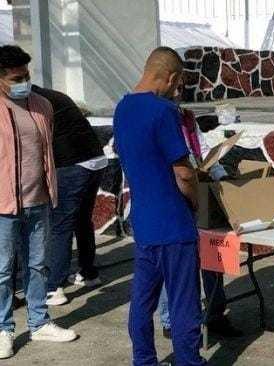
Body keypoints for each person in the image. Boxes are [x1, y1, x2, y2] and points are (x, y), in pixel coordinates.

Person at [113, 47, 204, 366]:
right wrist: (196, 200)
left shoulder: (121, 108)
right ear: (171, 76)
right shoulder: (163, 111)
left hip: (145, 222)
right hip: (174, 223)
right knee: (184, 303)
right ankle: (189, 361)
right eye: (177, 83)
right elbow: (182, 171)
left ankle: (144, 360)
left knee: (142, 301)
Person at [0, 45, 77, 359]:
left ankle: (39, 322)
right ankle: (3, 329)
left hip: (39, 199)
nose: (24, 81)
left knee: (38, 266)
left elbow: (46, 152)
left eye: (27, 75)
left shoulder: (42, 105)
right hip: (3, 205)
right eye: (17, 77)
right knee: (3, 271)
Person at [157, 102, 241, 339]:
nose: (177, 95)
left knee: (213, 258)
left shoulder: (187, 119)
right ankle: (170, 320)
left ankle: (215, 313)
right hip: (175, 197)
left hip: (201, 192)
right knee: (176, 262)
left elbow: (204, 153)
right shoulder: (159, 121)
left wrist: (222, 175)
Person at [30, 85, 107, 307]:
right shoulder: (50, 95)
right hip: (94, 160)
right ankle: (89, 273)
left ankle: (54, 287)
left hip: (73, 164)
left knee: (60, 225)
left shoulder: (32, 102)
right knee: (82, 220)